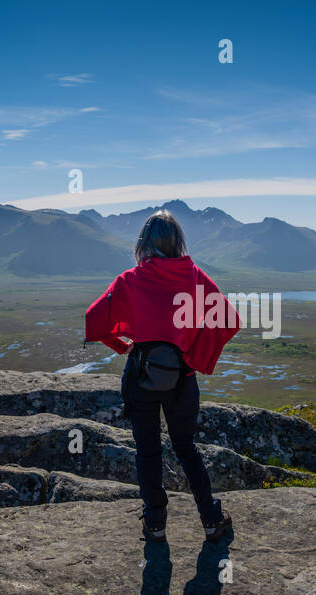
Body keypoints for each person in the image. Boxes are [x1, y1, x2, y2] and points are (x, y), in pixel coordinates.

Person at [84, 210, 239, 542]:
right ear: (178, 243)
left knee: (148, 451)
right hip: (182, 378)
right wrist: (196, 355)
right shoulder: (195, 277)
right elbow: (228, 318)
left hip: (141, 376)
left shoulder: (130, 280)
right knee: (186, 448)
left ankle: (155, 524)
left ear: (143, 243)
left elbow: (94, 318)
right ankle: (211, 520)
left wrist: (120, 346)